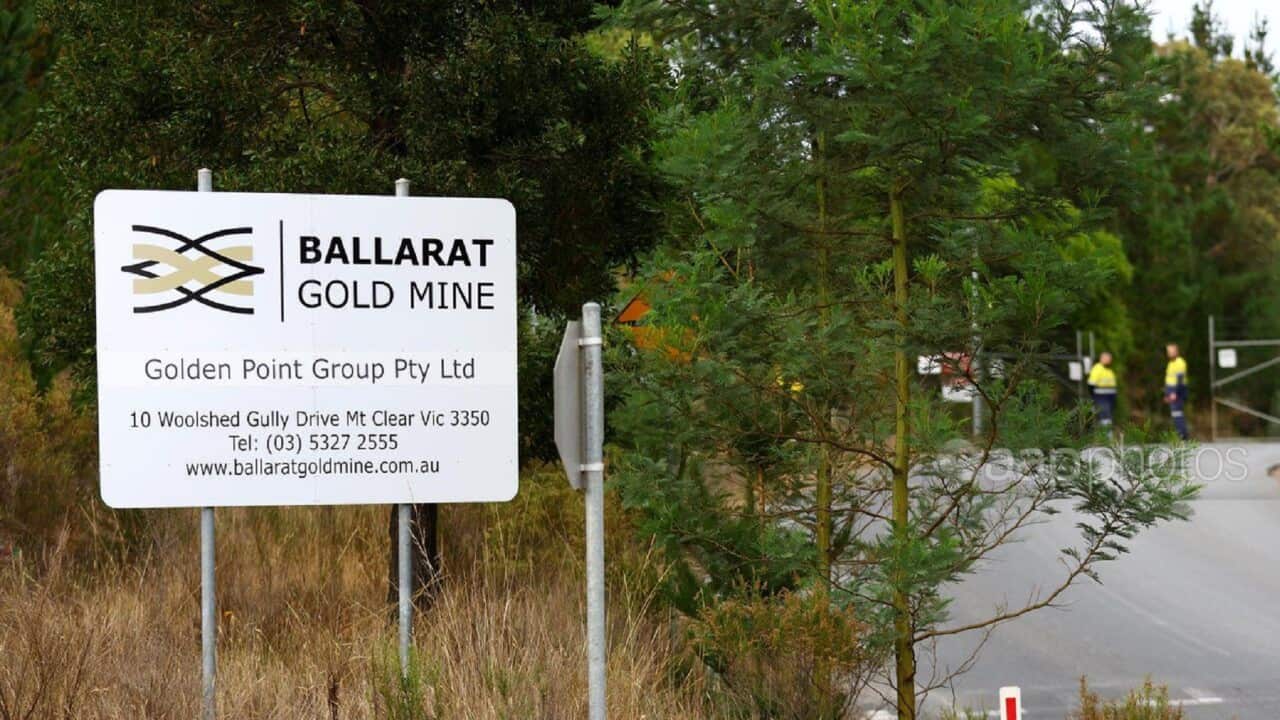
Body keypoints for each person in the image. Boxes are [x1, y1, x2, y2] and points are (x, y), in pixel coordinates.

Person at [1164, 343, 1189, 440]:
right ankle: (1181, 433)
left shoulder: (1180, 362)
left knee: (1177, 412)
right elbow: (1169, 379)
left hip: (1178, 390)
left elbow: (1180, 379)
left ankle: (1182, 434)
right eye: (1168, 351)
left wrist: (1175, 393)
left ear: (1177, 351)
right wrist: (1167, 394)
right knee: (1175, 413)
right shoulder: (1170, 363)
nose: (1169, 353)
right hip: (1171, 391)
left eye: (1171, 351)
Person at [1087, 351, 1117, 429]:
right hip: (1101, 398)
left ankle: (1106, 436)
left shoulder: (1108, 370)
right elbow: (1091, 384)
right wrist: (1093, 396)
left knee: (1107, 417)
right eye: (1108, 358)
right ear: (1102, 358)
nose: (1110, 359)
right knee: (1105, 417)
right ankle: (1107, 438)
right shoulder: (1097, 368)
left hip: (1109, 398)